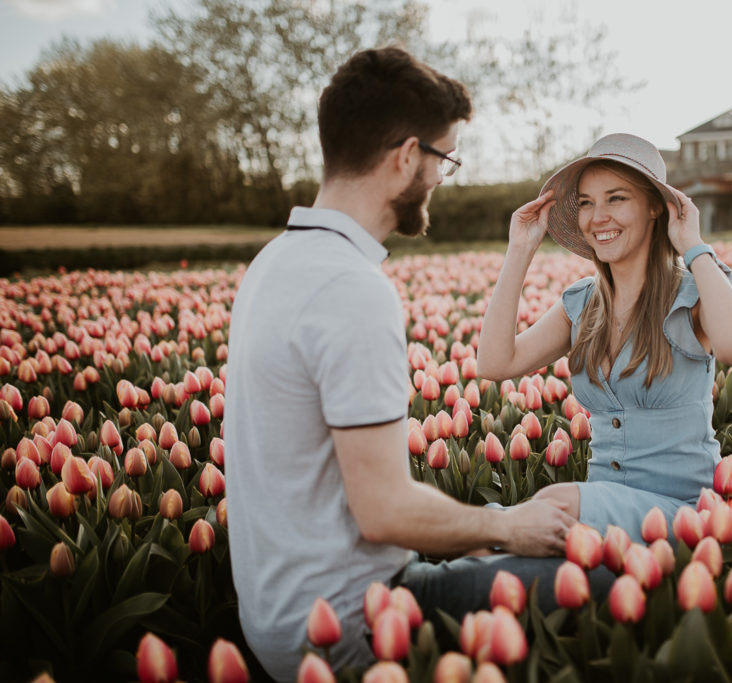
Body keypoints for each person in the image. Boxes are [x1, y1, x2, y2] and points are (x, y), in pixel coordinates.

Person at [224, 47, 591, 680]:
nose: (444, 178)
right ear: (404, 157)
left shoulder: (274, 264)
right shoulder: (348, 289)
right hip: (350, 622)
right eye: (445, 159)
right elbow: (385, 511)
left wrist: (484, 530)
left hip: (274, 614)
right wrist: (510, 526)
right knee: (601, 586)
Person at [477, 133, 732, 543]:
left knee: (548, 507)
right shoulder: (583, 304)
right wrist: (520, 250)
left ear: (653, 207)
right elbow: (494, 364)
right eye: (588, 203)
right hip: (598, 516)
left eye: (616, 199)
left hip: (686, 516)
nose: (598, 217)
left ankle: (470, 534)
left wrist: (693, 246)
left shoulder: (694, 294)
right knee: (506, 556)